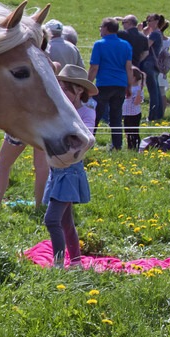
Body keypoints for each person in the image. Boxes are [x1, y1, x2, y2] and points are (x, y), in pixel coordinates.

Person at [43, 65, 97, 267]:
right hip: (56, 170)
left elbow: (84, 139)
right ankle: (75, 262)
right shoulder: (57, 110)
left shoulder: (86, 113)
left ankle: (58, 265)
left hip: (70, 172)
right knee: (66, 221)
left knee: (52, 220)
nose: (61, 93)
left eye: (64, 88)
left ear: (79, 90)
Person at [88, 17, 134, 151]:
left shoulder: (99, 44)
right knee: (116, 116)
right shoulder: (126, 45)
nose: (100, 29)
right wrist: (129, 86)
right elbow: (129, 67)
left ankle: (89, 143)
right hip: (120, 84)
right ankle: (117, 145)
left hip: (103, 84)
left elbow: (94, 67)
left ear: (106, 28)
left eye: (101, 27)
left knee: (95, 116)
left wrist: (87, 85)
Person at [122, 67, 145, 150]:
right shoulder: (126, 88)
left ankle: (136, 147)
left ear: (134, 77)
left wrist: (139, 92)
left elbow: (136, 102)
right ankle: (129, 147)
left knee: (134, 131)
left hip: (134, 114)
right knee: (127, 132)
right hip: (126, 114)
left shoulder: (138, 89)